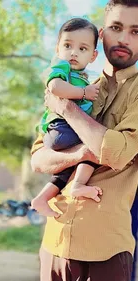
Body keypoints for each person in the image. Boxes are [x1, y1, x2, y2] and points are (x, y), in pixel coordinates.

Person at [31, 0, 138, 281]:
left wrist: (67, 110)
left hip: (105, 248)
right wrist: (81, 153)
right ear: (102, 35)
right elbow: (39, 156)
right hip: (56, 242)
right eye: (117, 28)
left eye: (136, 31)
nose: (125, 39)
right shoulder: (75, 79)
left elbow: (117, 152)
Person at [32, 18, 102, 218]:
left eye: (82, 49)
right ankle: (79, 184)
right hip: (61, 128)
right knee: (96, 146)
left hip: (65, 129)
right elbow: (54, 87)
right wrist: (83, 93)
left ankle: (42, 198)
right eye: (68, 45)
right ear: (57, 48)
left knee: (65, 169)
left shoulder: (84, 76)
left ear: (93, 56)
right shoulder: (61, 67)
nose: (73, 52)